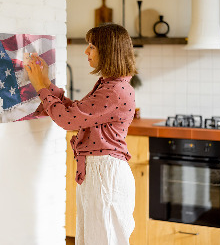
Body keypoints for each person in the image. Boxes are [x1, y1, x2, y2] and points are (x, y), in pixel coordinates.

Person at [25, 23, 137, 245]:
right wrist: (46, 83)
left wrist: (40, 87)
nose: (86, 51)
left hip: (105, 174)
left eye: (92, 46)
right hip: (100, 172)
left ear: (108, 51)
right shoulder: (110, 85)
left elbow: (68, 120)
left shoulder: (114, 90)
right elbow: (76, 112)